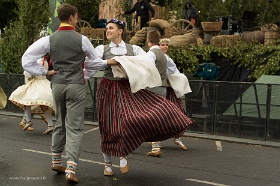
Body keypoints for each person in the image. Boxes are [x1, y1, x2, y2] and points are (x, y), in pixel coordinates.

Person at [21, 3, 117, 183]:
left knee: (59, 123)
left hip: (57, 84)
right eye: (77, 16)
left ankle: (56, 160)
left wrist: (45, 72)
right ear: (72, 17)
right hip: (75, 85)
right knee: (74, 127)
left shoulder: (49, 40)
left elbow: (26, 59)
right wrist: (107, 62)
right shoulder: (82, 39)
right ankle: (71, 168)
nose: (77, 19)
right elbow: (93, 63)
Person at [93, 18, 193, 177]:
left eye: (111, 28)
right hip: (108, 87)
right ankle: (107, 164)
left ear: (120, 31)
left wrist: (122, 60)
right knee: (107, 125)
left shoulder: (133, 48)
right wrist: (111, 61)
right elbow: (93, 64)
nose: (108, 30)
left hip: (127, 87)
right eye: (107, 28)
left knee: (127, 121)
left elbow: (146, 61)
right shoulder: (101, 48)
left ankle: (123, 155)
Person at [145, 33, 193, 157]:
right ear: (158, 44)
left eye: (166, 45)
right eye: (162, 44)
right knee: (158, 114)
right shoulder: (160, 56)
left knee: (167, 113)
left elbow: (174, 71)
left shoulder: (164, 58)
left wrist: (179, 82)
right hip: (163, 87)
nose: (165, 47)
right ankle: (156, 140)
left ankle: (169, 138)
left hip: (163, 88)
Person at [9, 56, 55, 134]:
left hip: (36, 83)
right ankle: (50, 125)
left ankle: (28, 121)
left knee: (26, 100)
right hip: (44, 83)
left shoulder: (36, 61)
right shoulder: (45, 61)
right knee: (44, 105)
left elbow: (29, 74)